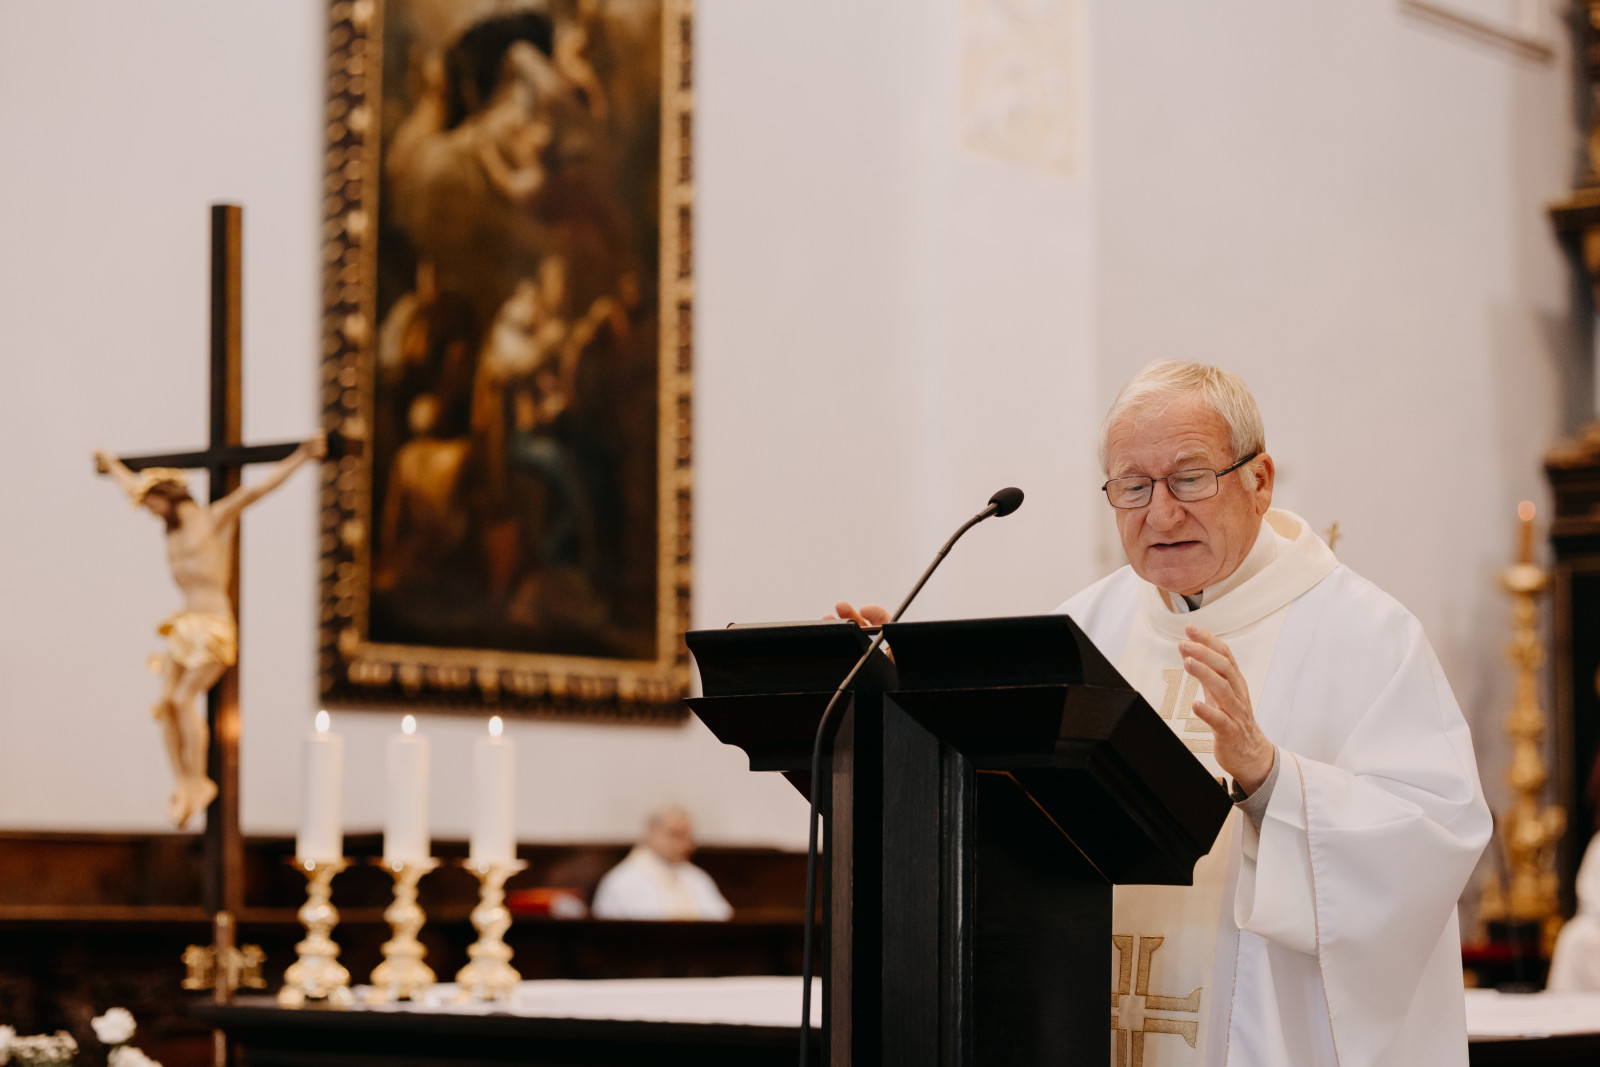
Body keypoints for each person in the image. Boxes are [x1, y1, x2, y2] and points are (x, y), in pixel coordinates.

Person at [835, 361, 1490, 1065]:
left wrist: (1273, 779)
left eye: (1189, 478)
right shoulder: (1082, 633)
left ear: (1259, 480)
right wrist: (900, 703)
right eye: (1134, 486)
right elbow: (1007, 813)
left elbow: (1438, 837)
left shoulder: (1364, 633)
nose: (1161, 512)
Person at [95, 434, 327, 828]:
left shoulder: (213, 519)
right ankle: (183, 781)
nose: (150, 512)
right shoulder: (170, 530)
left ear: (169, 496)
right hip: (184, 623)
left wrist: (302, 457)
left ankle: (200, 778)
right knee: (165, 702)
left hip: (214, 624)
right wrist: (112, 463)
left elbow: (259, 489)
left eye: (154, 504)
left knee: (185, 698)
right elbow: (132, 488)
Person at [591, 806, 733, 921]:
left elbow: (723, 921)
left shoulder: (697, 878)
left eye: (687, 835)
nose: (683, 844)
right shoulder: (622, 881)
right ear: (649, 833)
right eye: (674, 834)